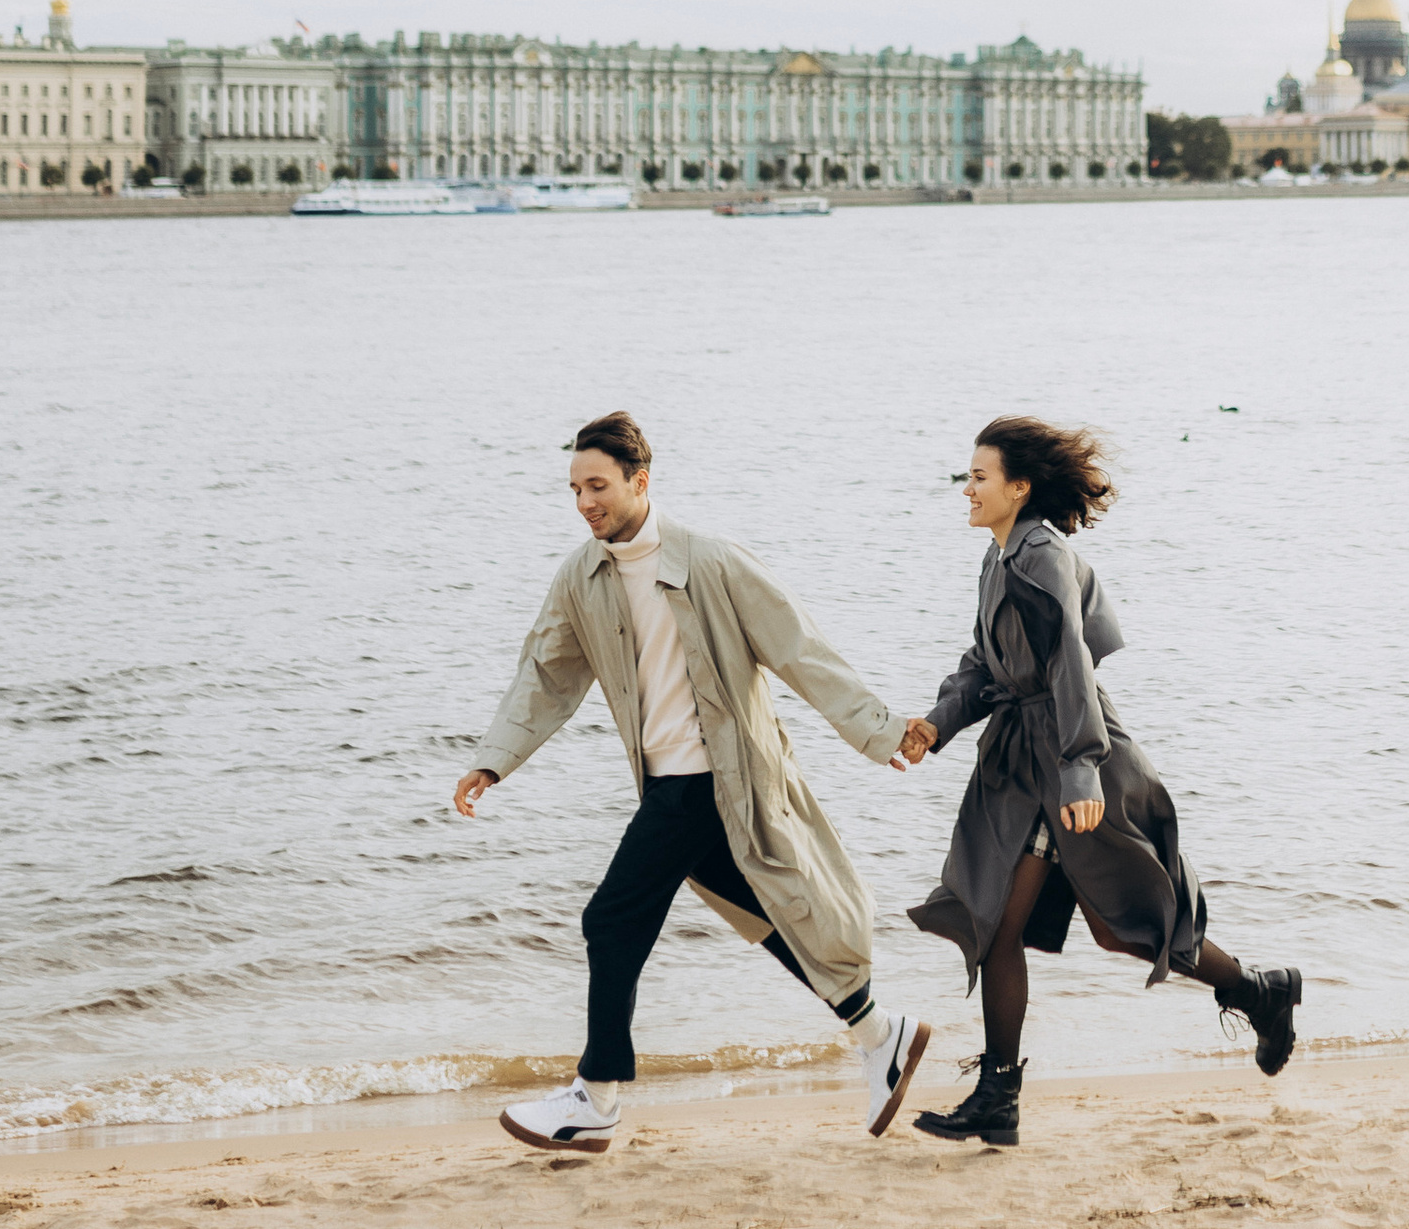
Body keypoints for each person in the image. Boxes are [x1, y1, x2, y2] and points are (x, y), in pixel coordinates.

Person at [456, 410, 931, 1155]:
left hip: (712, 779)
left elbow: (799, 649)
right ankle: (879, 1033)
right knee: (767, 914)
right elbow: (546, 674)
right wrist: (494, 759)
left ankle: (596, 1097)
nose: (584, 502)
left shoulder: (711, 562)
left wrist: (878, 729)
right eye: (575, 489)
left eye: (598, 486)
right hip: (667, 783)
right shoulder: (582, 576)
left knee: (611, 921)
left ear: (640, 482)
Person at [901, 416, 1300, 1146]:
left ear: (1020, 488)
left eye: (980, 476)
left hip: (1066, 753)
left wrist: (1081, 768)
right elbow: (986, 662)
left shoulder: (1042, 555)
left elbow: (1069, 663)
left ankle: (1256, 992)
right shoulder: (999, 556)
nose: (968, 488)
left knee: (1105, 923)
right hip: (1024, 760)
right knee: (1039, 926)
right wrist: (937, 722)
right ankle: (1257, 992)